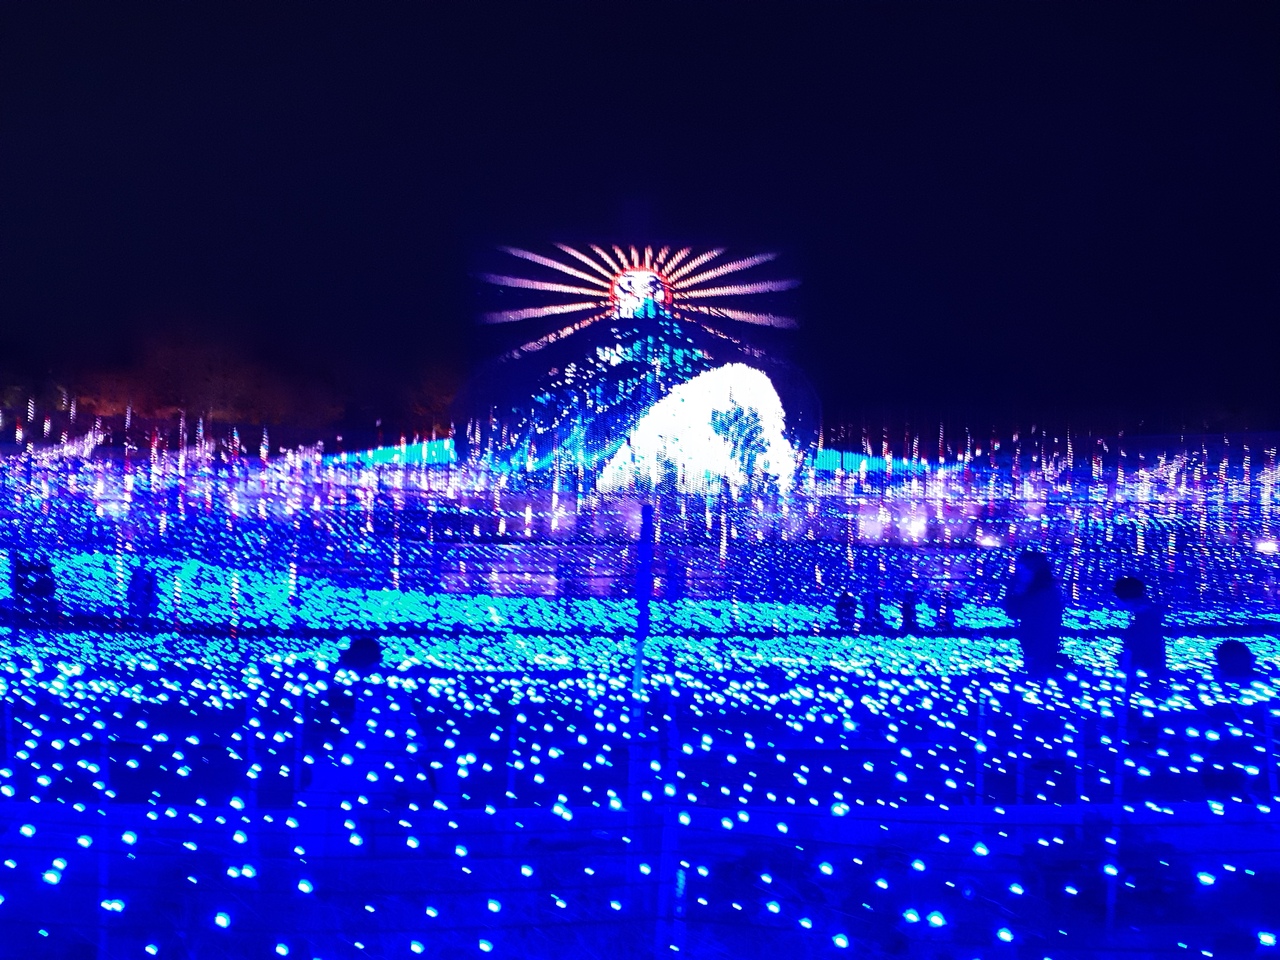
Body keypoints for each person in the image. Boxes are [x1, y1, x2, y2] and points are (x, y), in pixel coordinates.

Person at [1003, 550, 1063, 675]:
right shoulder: (1039, 592)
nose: (1018, 573)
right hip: (1037, 651)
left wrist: (1012, 588)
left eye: (1022, 569)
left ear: (1033, 570)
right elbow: (1012, 612)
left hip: (1039, 653)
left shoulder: (1041, 596)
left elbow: (1014, 612)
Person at [1113, 576, 1167, 677]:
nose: (1116, 601)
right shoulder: (1148, 613)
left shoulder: (1143, 617)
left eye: (1117, 597)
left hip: (1143, 669)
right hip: (1147, 668)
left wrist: (1128, 665)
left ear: (1126, 598)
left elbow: (1138, 644)